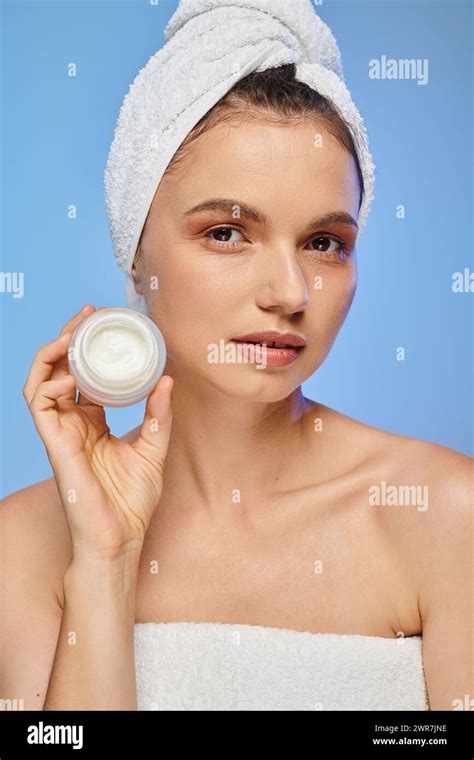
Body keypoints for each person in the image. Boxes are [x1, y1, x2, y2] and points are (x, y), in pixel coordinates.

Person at [1, 2, 471, 711]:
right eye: (226, 233)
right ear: (135, 256)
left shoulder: (445, 515)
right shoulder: (23, 546)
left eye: (325, 243)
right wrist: (103, 560)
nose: (289, 292)